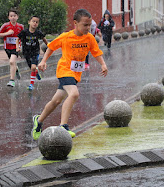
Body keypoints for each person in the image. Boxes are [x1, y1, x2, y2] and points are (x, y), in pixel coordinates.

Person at [32, 9, 108, 140]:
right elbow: (51, 47)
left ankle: (38, 121)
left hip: (75, 74)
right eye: (85, 25)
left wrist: (103, 64)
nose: (88, 28)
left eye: (89, 25)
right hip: (64, 70)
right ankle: (63, 126)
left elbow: (96, 51)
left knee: (56, 101)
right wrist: (43, 61)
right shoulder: (66, 36)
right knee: (74, 94)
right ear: (75, 23)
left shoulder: (89, 37)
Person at [16, 15, 48, 90]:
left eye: (37, 22)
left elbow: (44, 39)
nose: (35, 23)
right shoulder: (24, 32)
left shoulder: (38, 33)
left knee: (33, 67)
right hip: (26, 52)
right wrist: (17, 47)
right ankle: (36, 72)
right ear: (29, 22)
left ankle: (31, 84)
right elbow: (17, 39)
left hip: (35, 52)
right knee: (32, 68)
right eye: (33, 21)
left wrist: (49, 45)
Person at [0, 9, 24, 87]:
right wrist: (7, 33)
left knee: (12, 62)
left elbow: (23, 36)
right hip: (7, 47)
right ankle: (16, 70)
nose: (13, 18)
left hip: (16, 47)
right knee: (13, 63)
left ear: (17, 17)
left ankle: (12, 80)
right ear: (8, 17)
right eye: (11, 16)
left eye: (14, 16)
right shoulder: (5, 25)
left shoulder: (20, 26)